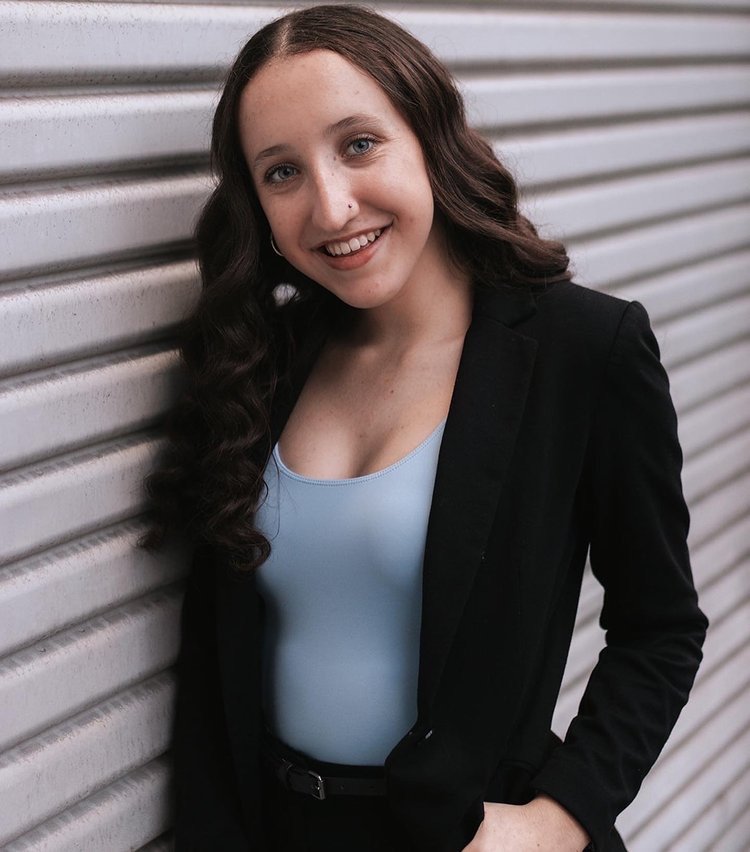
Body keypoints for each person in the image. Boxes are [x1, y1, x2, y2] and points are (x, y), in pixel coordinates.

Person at [141, 5, 708, 851]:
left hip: (468, 834)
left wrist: (562, 818)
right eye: (282, 172)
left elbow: (660, 628)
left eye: (359, 144)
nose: (332, 207)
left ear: (430, 137)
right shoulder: (261, 360)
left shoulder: (580, 351)